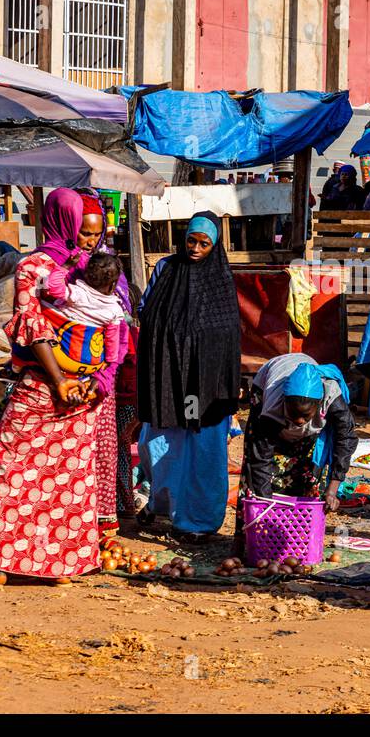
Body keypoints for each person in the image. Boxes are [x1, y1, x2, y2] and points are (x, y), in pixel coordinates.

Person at [0, 189, 103, 587]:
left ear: (50, 217)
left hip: (46, 384)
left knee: (8, 463)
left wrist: (58, 380)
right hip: (87, 388)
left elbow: (34, 328)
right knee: (66, 475)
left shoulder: (34, 266)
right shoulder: (89, 265)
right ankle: (60, 566)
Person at [135, 211, 242, 543]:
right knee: (163, 443)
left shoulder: (220, 280)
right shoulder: (167, 268)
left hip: (202, 387)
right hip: (168, 377)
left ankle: (197, 521)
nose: (195, 248)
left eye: (204, 243)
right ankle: (162, 504)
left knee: (201, 449)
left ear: (215, 246)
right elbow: (146, 311)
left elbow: (227, 332)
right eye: (191, 241)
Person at [74, 193, 138, 540]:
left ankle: (108, 513)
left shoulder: (109, 268)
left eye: (93, 235)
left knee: (108, 445)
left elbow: (122, 324)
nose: (88, 241)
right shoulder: (62, 268)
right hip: (68, 373)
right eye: (83, 232)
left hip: (106, 376)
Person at [240, 354, 357, 511]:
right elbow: (260, 458)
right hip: (266, 382)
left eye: (306, 415)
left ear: (319, 405)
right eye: (294, 414)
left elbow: (345, 439)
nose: (300, 421)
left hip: (308, 411)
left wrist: (332, 489)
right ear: (285, 403)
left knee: (306, 472)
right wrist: (266, 506)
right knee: (256, 471)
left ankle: (297, 518)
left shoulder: (332, 399)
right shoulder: (272, 408)